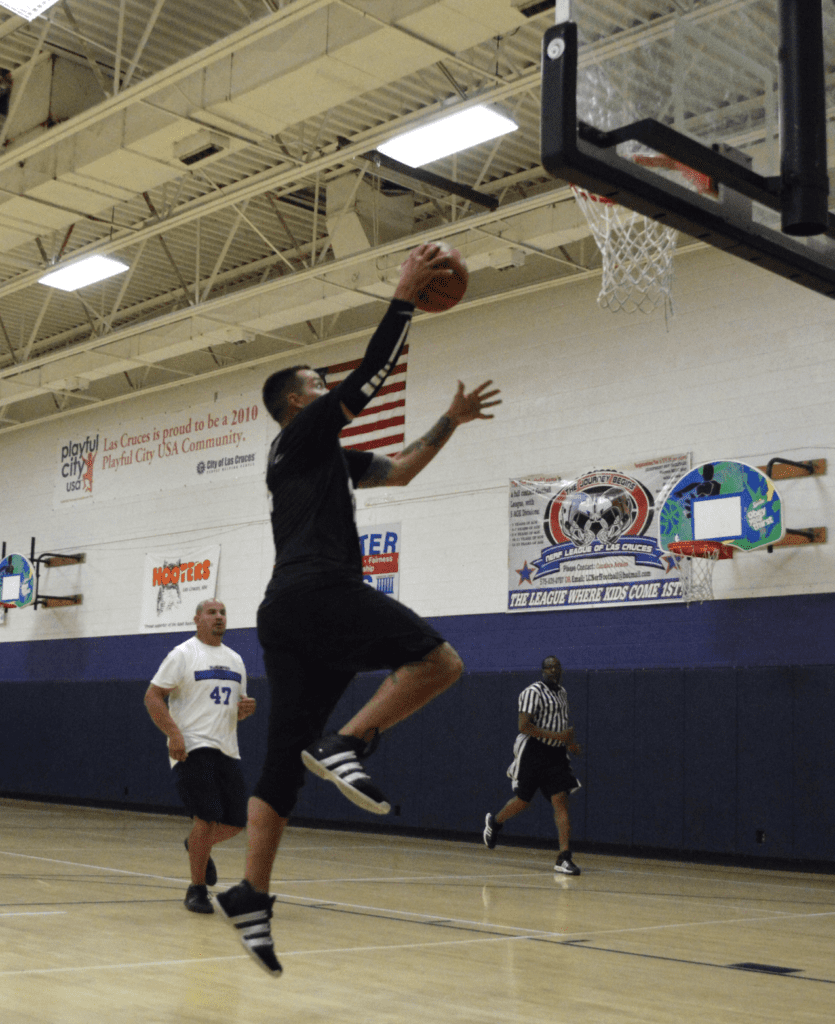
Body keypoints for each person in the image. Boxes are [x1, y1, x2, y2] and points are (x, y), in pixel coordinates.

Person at [215, 242, 501, 976]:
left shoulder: (320, 458)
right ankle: (349, 743)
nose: (326, 388)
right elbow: (368, 382)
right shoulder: (301, 435)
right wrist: (402, 298)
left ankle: (251, 891)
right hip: (318, 594)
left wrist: (449, 421)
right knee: (438, 661)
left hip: (291, 613)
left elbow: (399, 471)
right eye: (317, 382)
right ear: (296, 403)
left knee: (281, 765)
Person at [144, 599, 256, 914]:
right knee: (206, 818)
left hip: (227, 748)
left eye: (223, 612)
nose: (219, 617)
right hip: (192, 746)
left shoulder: (235, 659)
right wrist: (174, 735)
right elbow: (152, 696)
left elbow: (234, 707)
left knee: (235, 821)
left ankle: (197, 845)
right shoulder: (182, 654)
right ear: (197, 619)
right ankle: (196, 890)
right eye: (211, 612)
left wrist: (246, 709)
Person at [483, 655, 582, 876]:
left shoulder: (562, 693)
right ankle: (495, 822)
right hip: (534, 752)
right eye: (549, 668)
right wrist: (557, 736)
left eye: (557, 667)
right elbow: (524, 726)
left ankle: (564, 857)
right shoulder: (532, 692)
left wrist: (570, 744)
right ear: (543, 671)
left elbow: (564, 726)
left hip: (556, 754)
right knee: (523, 800)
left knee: (560, 801)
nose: (554, 671)